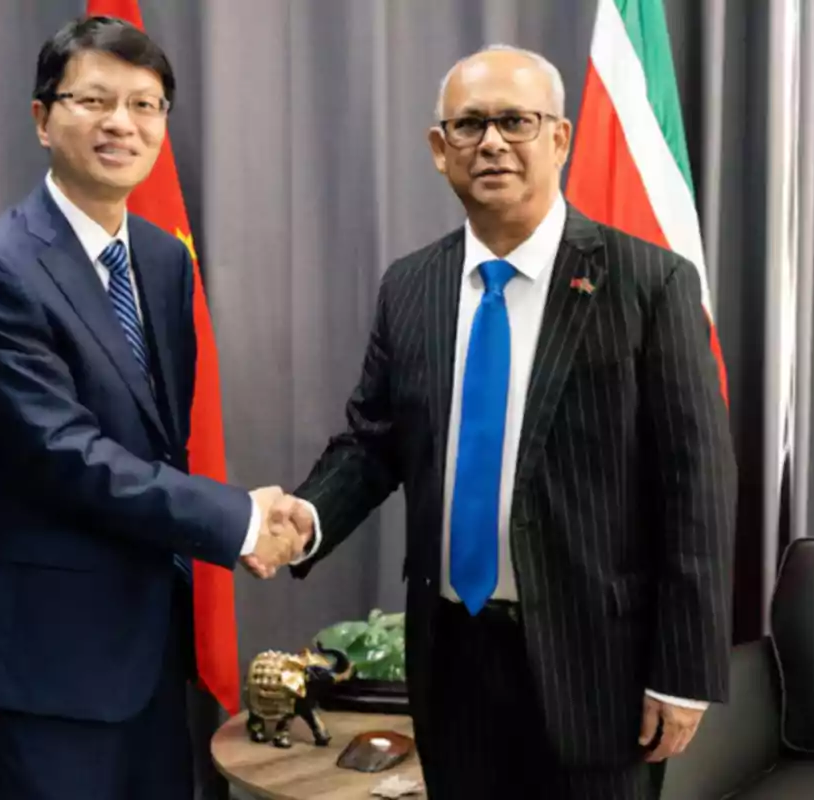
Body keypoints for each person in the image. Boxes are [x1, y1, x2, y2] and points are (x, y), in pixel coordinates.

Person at [276, 45, 737, 799]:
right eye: (469, 125)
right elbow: (372, 440)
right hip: (453, 654)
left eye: (516, 122)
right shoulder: (411, 286)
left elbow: (698, 487)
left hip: (598, 664)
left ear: (559, 138)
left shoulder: (647, 282)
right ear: (439, 149)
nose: (491, 143)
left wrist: (684, 672)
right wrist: (307, 516)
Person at [0, 17, 304, 799]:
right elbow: (61, 454)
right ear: (43, 119)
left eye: (146, 105)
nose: (122, 124)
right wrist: (238, 520)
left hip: (152, 651)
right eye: (95, 100)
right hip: (54, 667)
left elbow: (157, 446)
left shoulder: (166, 260)